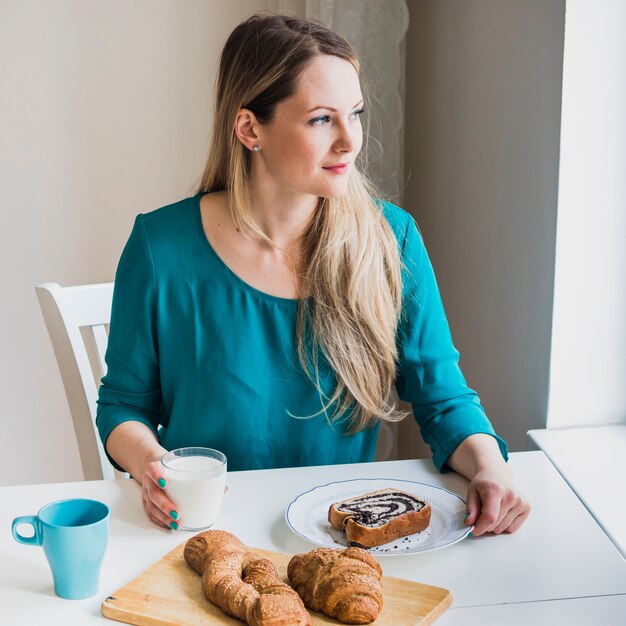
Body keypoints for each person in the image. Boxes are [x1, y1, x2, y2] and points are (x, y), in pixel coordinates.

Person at [96, 12, 530, 536]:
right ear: (250, 128)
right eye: (322, 119)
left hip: (339, 539)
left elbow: (442, 398)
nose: (351, 140)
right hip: (202, 533)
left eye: (356, 112)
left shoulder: (391, 240)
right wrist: (152, 467)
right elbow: (123, 407)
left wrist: (491, 467)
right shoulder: (159, 247)